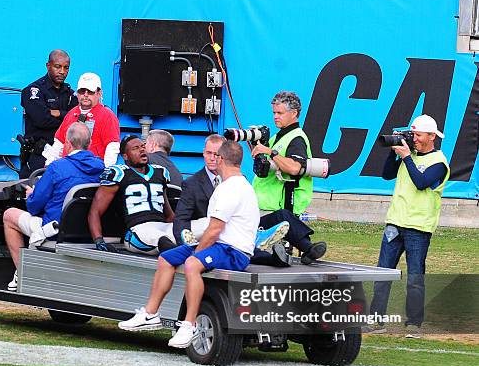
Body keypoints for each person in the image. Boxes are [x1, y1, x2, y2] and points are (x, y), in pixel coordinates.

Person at [118, 140, 260, 348]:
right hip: (220, 245)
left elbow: (213, 230)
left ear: (221, 159)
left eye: (215, 155)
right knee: (167, 258)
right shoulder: (235, 184)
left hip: (234, 251)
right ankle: (150, 313)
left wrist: (196, 254)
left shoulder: (231, 188)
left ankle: (188, 324)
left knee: (192, 264)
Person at [172, 134, 313, 267]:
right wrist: (185, 247)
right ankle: (269, 253)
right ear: (203, 153)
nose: (213, 158)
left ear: (224, 157)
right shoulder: (192, 183)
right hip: (215, 234)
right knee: (240, 245)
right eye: (209, 153)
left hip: (238, 229)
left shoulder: (240, 181)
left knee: (282, 215)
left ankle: (309, 247)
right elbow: (181, 220)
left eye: (217, 154)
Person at [367, 115, 450, 338]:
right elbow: (386, 175)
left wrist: (406, 158)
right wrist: (393, 152)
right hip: (395, 222)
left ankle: (413, 323)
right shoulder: (408, 156)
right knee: (382, 273)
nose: (414, 138)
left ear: (432, 137)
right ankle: (376, 320)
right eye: (412, 134)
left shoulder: (439, 162)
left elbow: (421, 182)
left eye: (418, 135)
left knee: (415, 277)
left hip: (419, 227)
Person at [4, 122, 104, 290]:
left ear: (68, 144)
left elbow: (34, 207)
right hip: (87, 230)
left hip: (56, 230)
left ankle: (22, 272)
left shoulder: (57, 167)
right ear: (89, 143)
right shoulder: (101, 168)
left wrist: (30, 195)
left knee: (9, 215)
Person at [250, 91, 327, 264]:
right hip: (265, 204)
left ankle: (306, 248)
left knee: (279, 223)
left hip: (277, 204)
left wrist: (271, 152)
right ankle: (308, 248)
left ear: (294, 114)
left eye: (280, 113)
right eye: (273, 113)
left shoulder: (296, 138)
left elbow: (294, 167)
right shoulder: (279, 136)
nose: (275, 117)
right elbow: (263, 164)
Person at [88, 135, 174, 255]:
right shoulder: (118, 173)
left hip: (161, 227)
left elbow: (169, 214)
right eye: (136, 148)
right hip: (137, 231)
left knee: (199, 230)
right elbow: (95, 211)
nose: (142, 150)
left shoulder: (160, 172)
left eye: (143, 146)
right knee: (164, 242)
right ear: (125, 156)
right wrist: (99, 240)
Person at [19, 49, 78, 178]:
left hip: (63, 155)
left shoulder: (70, 93)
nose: (62, 71)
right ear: (48, 66)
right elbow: (41, 120)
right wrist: (67, 118)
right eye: (58, 67)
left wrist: (59, 113)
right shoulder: (33, 90)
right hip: (38, 156)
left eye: (66, 68)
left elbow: (77, 119)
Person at [51, 72, 120, 167]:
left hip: (92, 172)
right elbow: (59, 143)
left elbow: (112, 147)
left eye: (90, 91)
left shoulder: (107, 115)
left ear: (99, 93)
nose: (86, 95)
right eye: (82, 91)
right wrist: (49, 164)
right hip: (68, 170)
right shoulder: (71, 114)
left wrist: (105, 172)